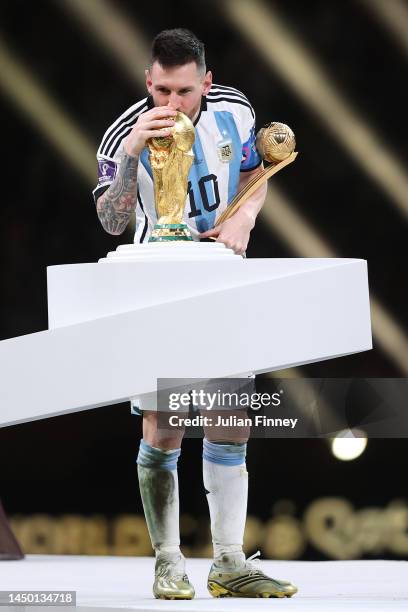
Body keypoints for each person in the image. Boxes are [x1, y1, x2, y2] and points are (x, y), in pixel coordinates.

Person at [93, 28, 297, 600]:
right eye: (160, 90)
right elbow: (111, 221)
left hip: (222, 280)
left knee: (232, 416)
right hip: (157, 288)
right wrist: (134, 148)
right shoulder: (122, 134)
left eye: (183, 92)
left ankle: (230, 561)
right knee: (163, 424)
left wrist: (245, 218)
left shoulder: (234, 111)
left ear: (205, 82)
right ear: (147, 81)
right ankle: (168, 562)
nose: (171, 105)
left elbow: (260, 172)